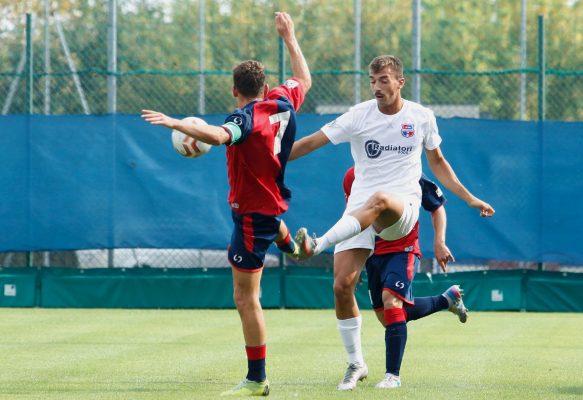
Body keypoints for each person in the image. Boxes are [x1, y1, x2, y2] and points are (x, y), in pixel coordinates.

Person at [289, 55, 494, 390]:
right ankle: (356, 364)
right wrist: (273, 158)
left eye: (383, 79)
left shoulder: (421, 117)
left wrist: (469, 198)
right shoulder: (359, 115)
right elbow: (313, 142)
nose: (376, 87)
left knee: (381, 201)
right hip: (361, 210)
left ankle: (316, 244)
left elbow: (438, 162)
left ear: (400, 82)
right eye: (372, 80)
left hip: (403, 208)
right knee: (342, 286)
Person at [142, 12, 311, 397]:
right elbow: (304, 79)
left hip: (253, 213)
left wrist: (175, 123)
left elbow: (219, 135)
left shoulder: (244, 117)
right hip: (269, 206)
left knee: (245, 298)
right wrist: (290, 37)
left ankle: (257, 378)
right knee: (273, 230)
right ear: (265, 85)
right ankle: (296, 246)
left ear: (235, 90)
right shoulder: (282, 100)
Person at [344, 166, 468, 389]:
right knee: (389, 317)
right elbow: (355, 220)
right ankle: (446, 300)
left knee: (392, 303)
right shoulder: (353, 176)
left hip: (403, 249)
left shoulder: (408, 171)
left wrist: (439, 242)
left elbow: (437, 207)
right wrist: (355, 261)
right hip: (372, 255)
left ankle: (392, 376)